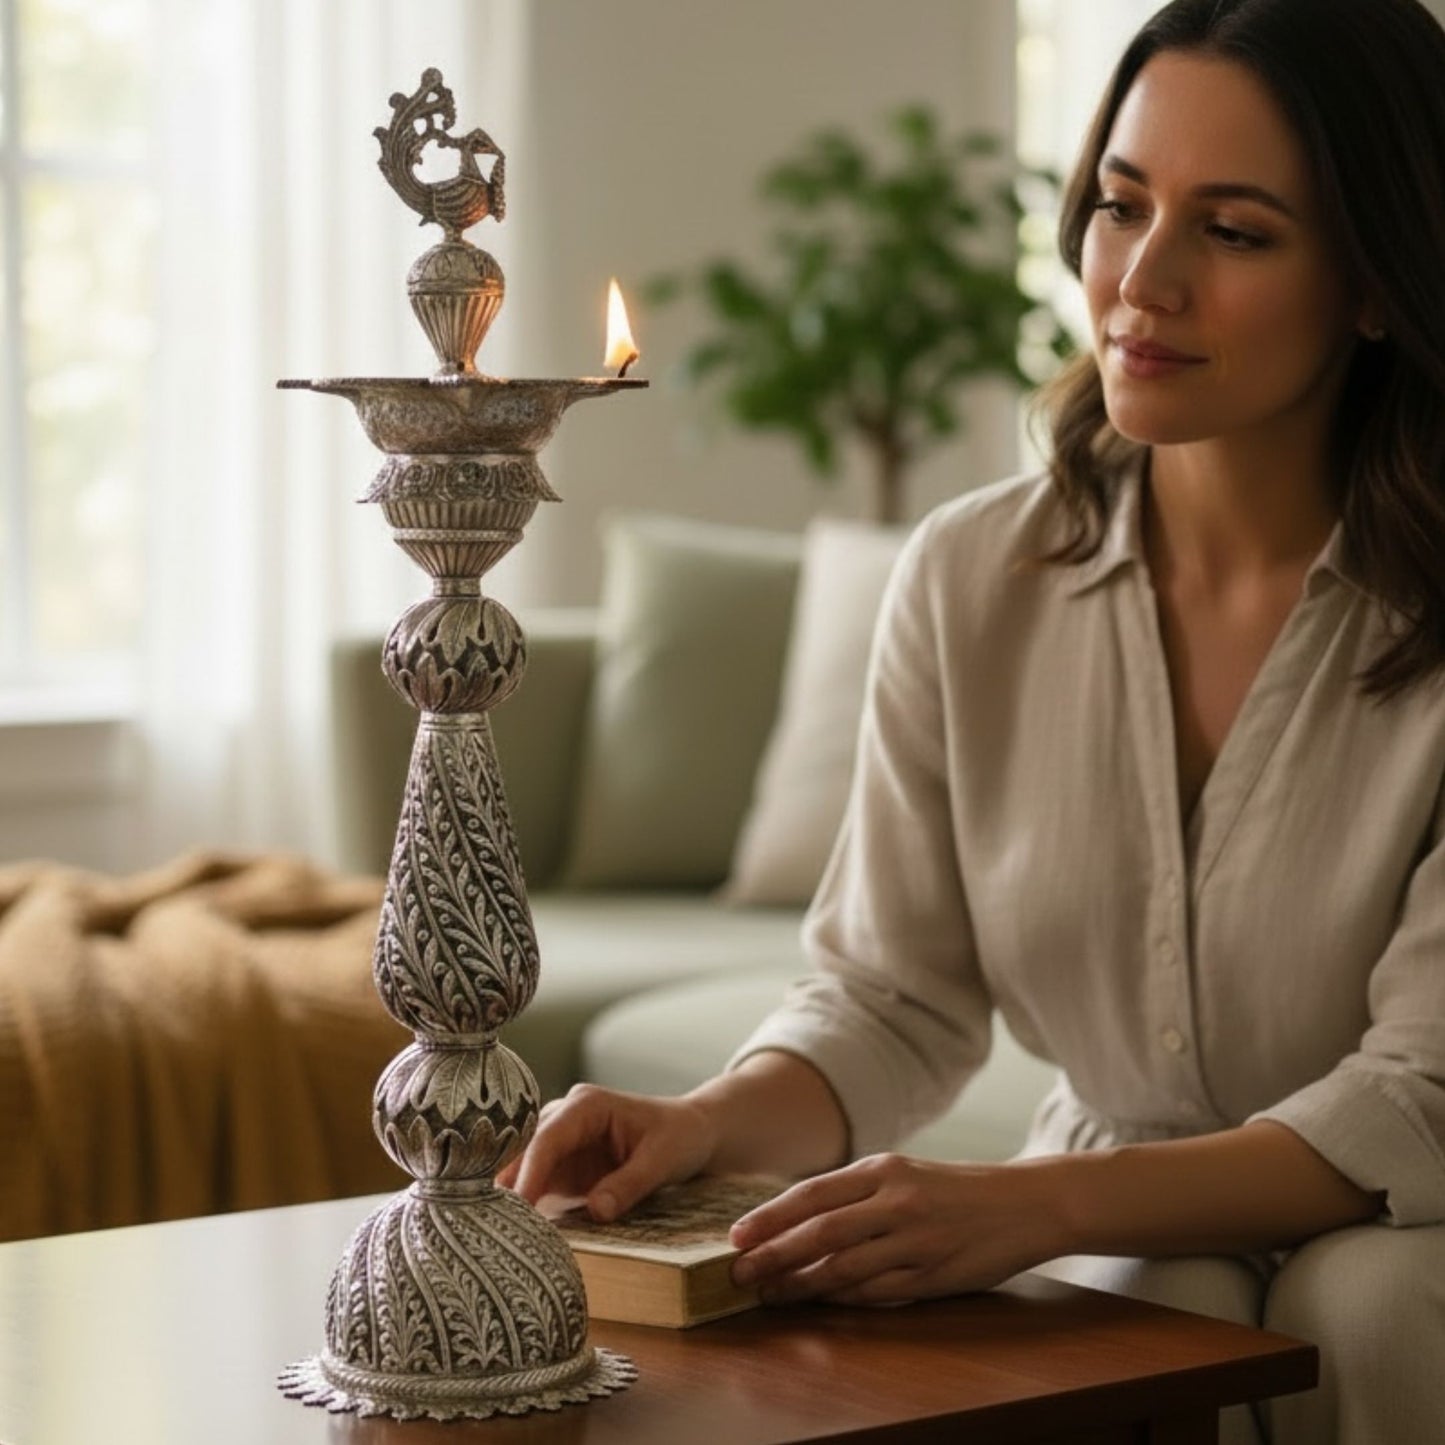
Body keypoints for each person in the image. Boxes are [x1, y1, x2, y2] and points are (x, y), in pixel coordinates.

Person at [501, 1, 1445, 1439]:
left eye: (1233, 231)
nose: (1143, 280)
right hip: (1119, 1217)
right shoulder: (969, 574)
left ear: (1375, 282)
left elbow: (1422, 1094)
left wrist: (1036, 1201)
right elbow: (893, 998)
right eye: (1120, 206)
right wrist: (703, 1123)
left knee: (1366, 1298)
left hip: (1410, 1216)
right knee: (1159, 1279)